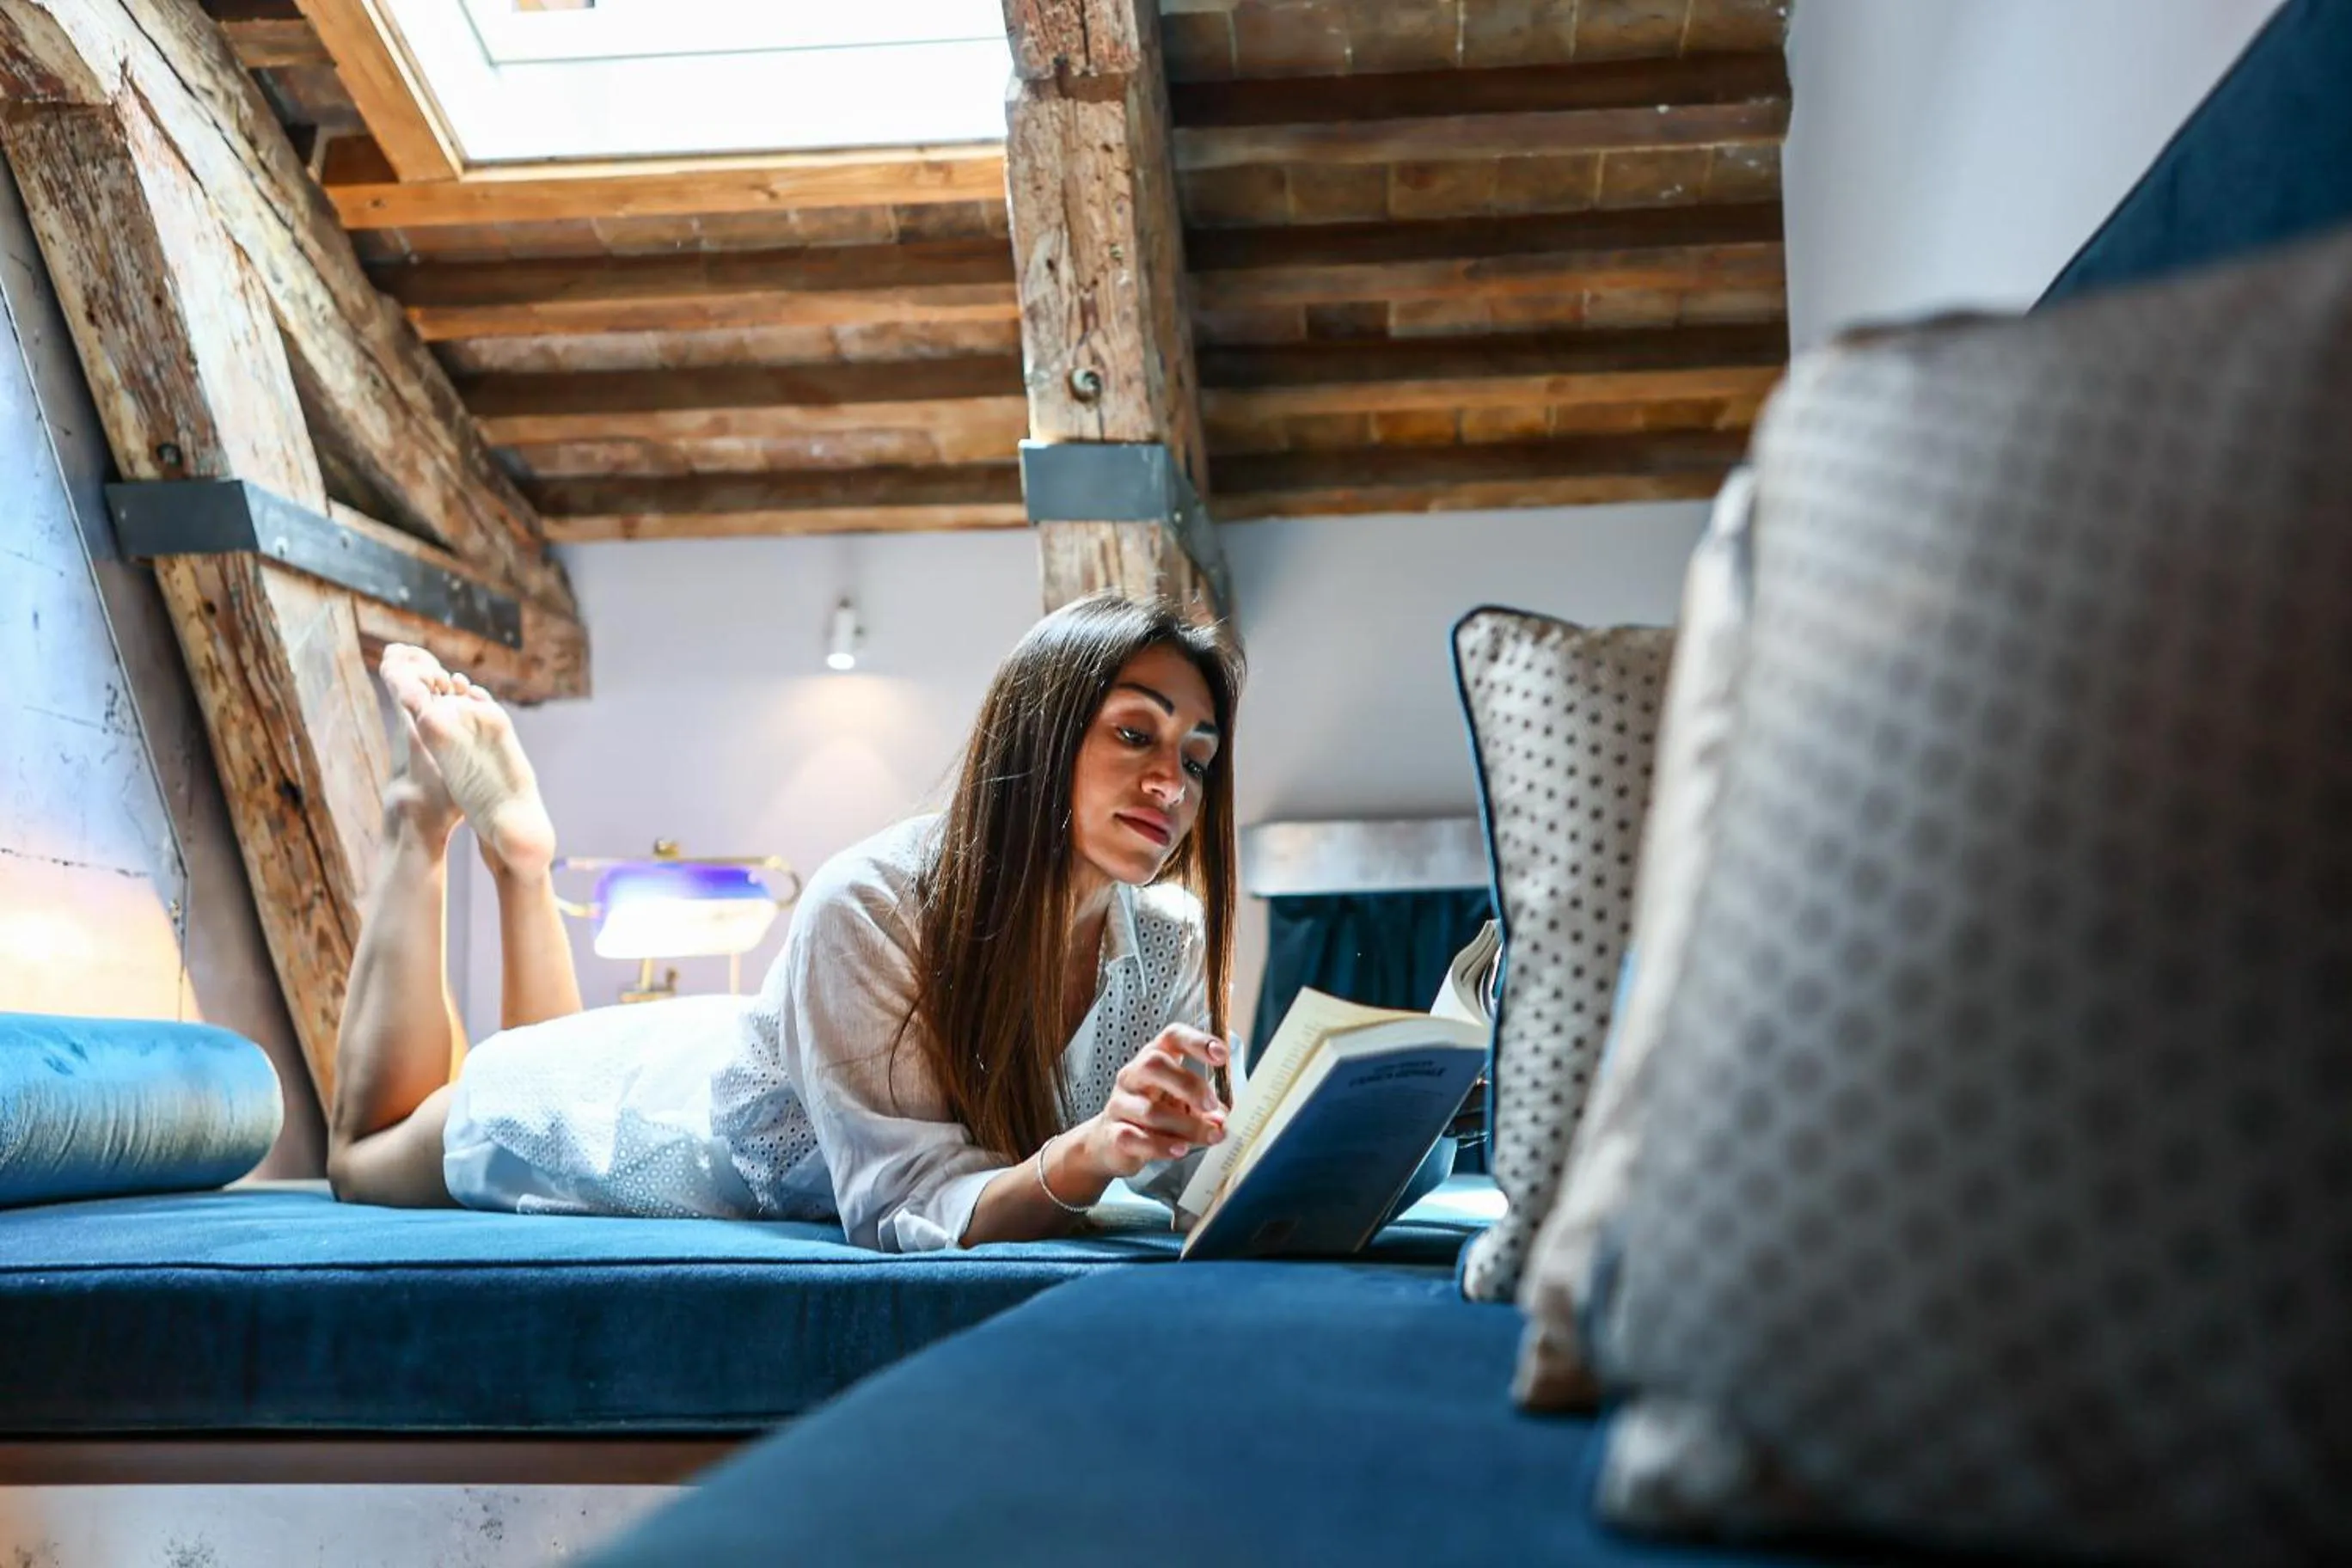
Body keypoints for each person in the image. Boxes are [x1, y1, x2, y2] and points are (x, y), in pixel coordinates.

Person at [326, 592, 1242, 1252]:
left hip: (734, 1047)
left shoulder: (1169, 936)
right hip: (635, 1119)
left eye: (1197, 761)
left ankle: (521, 863)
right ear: (1042, 733)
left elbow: (1181, 1175)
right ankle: (422, 820)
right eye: (1135, 734)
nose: (1172, 785)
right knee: (362, 1161)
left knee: (538, 1039)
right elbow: (901, 1207)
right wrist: (1089, 1153)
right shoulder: (875, 902)